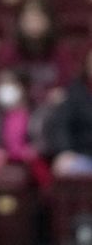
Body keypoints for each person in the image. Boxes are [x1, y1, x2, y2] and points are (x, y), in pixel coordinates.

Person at [50, 44, 92, 177]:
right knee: (65, 165)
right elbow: (61, 125)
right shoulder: (75, 91)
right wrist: (65, 150)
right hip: (84, 154)